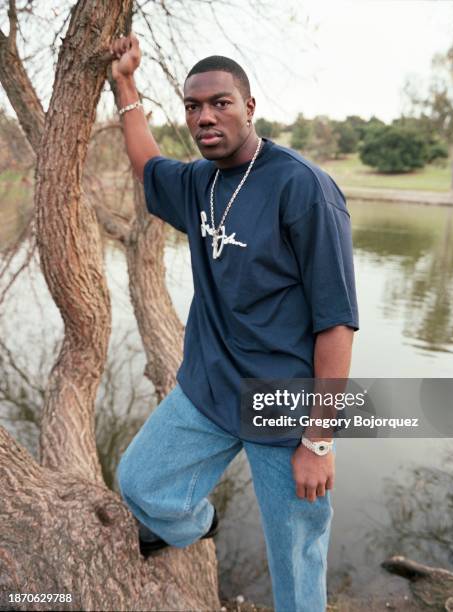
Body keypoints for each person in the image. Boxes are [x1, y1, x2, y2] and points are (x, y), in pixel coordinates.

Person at [111, 33, 359, 612]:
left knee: (297, 570)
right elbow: (148, 162)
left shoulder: (304, 188)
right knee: (140, 481)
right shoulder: (200, 182)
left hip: (284, 405)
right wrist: (125, 83)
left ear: (249, 108)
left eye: (220, 102)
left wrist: (318, 441)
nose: (204, 117)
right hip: (211, 386)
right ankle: (201, 522)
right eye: (193, 107)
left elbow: (336, 326)